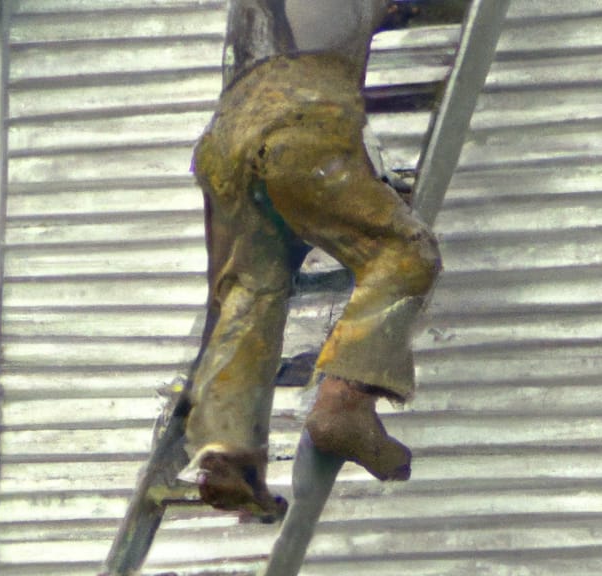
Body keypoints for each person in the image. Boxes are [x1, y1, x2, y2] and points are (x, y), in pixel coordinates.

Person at [181, 0, 441, 521]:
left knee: (253, 288)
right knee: (403, 253)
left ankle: (227, 453)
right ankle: (345, 404)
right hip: (302, 124)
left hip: (224, 135)